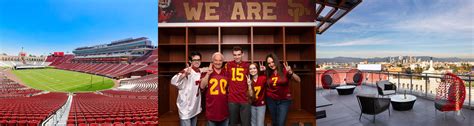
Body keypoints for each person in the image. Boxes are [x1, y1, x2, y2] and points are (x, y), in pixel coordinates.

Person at [264, 53, 301, 126]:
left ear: (276, 61)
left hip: (284, 100)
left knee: (280, 123)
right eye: (269, 63)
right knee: (275, 122)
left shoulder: (284, 70)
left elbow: (298, 80)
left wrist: (291, 72)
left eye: (272, 62)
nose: (271, 64)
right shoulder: (267, 72)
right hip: (271, 100)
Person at [170, 51, 203, 126]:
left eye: (198, 60)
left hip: (195, 106)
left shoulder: (200, 72)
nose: (197, 62)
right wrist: (185, 74)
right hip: (186, 107)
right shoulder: (186, 71)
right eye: (195, 60)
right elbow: (173, 81)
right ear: (190, 61)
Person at [200, 52, 229, 126]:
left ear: (222, 62)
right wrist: (208, 74)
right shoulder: (207, 72)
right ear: (212, 61)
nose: (218, 62)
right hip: (211, 110)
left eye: (220, 60)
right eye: (216, 60)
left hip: (224, 110)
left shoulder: (226, 73)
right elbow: (202, 86)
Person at [225, 46, 251, 126]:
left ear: (242, 54)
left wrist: (262, 71)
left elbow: (255, 76)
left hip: (244, 99)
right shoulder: (228, 65)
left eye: (239, 54)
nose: (237, 57)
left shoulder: (247, 65)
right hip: (232, 99)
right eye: (235, 55)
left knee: (246, 123)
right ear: (233, 55)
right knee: (232, 123)